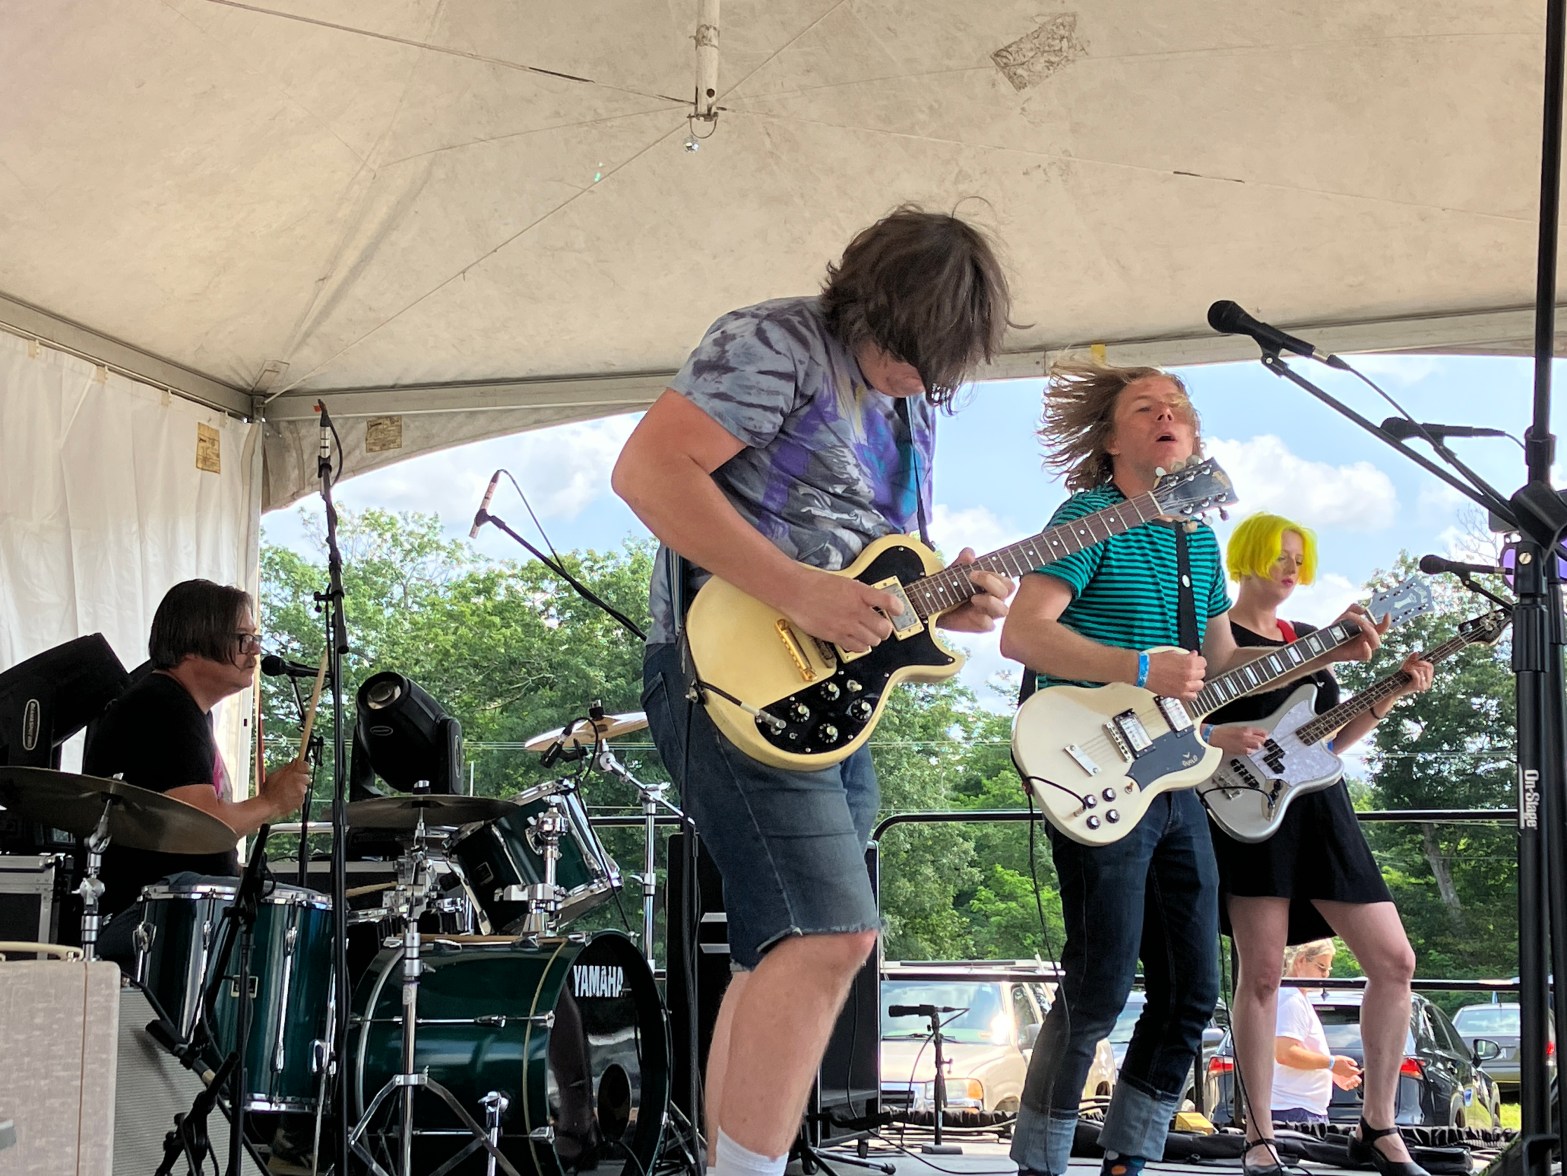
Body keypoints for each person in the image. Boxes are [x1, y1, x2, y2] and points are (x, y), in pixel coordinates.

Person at [612, 206, 1016, 1176]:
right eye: (911, 356)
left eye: (940, 369)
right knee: (832, 935)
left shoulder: (913, 406)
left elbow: (872, 565)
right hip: (731, 674)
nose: (921, 381)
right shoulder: (773, 343)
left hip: (833, 699)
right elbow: (648, 473)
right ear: (866, 306)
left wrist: (943, 601)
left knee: (784, 949)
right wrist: (800, 592)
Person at [996, 361, 1383, 1176]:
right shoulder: (1087, 517)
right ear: (1110, 440)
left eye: (1177, 407)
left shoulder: (1199, 538)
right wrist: (1137, 668)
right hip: (1092, 767)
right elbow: (1023, 634)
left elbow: (1223, 665)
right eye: (1145, 407)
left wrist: (1324, 650)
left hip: (1175, 778)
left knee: (1190, 990)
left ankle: (1127, 1161)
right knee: (1099, 982)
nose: (1167, 415)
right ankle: (1039, 1164)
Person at [1206, 512, 1433, 1176]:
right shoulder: (1216, 639)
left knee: (1394, 960)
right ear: (1247, 557)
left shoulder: (1306, 637)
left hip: (1321, 809)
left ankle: (1377, 1125)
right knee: (1261, 974)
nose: (1289, 567)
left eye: (1297, 558)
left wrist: (1389, 694)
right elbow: (1200, 712)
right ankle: (1258, 1137)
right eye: (1278, 555)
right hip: (1247, 811)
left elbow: (1325, 740)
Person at [89, 578, 310, 968]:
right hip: (147, 916)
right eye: (243, 638)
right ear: (194, 643)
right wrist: (271, 803)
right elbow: (200, 826)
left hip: (169, 908)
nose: (255, 650)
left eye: (255, 638)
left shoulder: (184, 709)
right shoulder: (164, 707)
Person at [1269, 939, 1362, 1123]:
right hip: (1294, 1111)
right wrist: (1332, 1063)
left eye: (1328, 969)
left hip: (1299, 1109)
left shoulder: (1295, 997)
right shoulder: (1291, 999)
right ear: (1301, 960)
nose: (1326, 975)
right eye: (1321, 967)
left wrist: (1333, 1071)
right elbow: (1285, 1053)